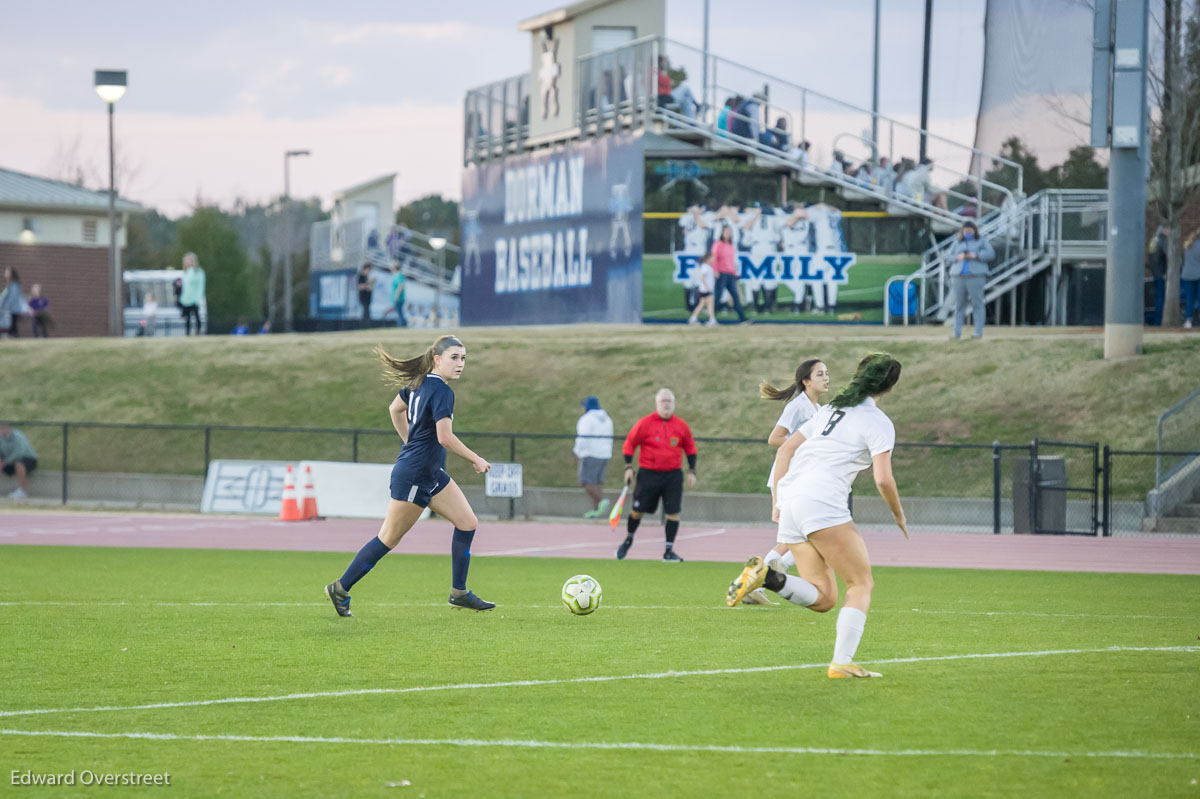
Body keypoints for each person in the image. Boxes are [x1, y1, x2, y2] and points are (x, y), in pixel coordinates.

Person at [726, 352, 908, 679]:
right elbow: (883, 479)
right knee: (861, 583)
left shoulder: (830, 409)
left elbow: (785, 449)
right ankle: (842, 663)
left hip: (794, 500)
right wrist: (899, 515)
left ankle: (766, 576)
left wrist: (778, 501)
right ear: (888, 388)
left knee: (824, 599)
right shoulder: (879, 422)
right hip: (823, 503)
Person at [324, 335, 495, 617]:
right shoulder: (442, 391)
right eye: (454, 358)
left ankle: (459, 592)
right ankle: (340, 588)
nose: (460, 364)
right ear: (437, 359)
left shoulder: (419, 382)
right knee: (388, 539)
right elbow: (445, 437)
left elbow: (395, 409)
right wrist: (476, 459)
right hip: (416, 474)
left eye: (463, 358)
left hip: (431, 472)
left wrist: (408, 440)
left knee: (467, 523)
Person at [740, 358, 832, 605]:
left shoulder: (819, 410)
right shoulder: (798, 407)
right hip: (788, 479)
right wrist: (804, 446)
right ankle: (758, 578)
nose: (826, 378)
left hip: (803, 480)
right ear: (806, 381)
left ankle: (758, 581)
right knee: (798, 536)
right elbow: (775, 438)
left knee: (806, 535)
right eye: (820, 374)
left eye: (827, 373)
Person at [617, 388, 697, 562]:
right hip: (648, 475)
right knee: (637, 511)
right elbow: (629, 444)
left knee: (673, 513)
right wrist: (628, 467)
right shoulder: (645, 423)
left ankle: (669, 551)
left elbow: (690, 449)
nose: (666, 404)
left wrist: (691, 471)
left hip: (673, 476)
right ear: (657, 403)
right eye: (663, 401)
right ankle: (629, 538)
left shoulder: (681, 425)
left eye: (669, 401)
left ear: (674, 404)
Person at [948, 221, 996, 340]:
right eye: (966, 230)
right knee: (959, 305)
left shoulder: (982, 241)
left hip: (976, 276)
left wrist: (976, 255)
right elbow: (948, 256)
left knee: (977, 304)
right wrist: (957, 257)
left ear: (974, 230)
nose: (968, 232)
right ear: (962, 231)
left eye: (970, 230)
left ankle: (978, 332)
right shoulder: (957, 242)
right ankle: (956, 332)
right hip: (958, 276)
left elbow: (991, 254)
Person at [574, 396, 614, 519]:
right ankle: (596, 510)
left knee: (586, 481)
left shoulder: (586, 419)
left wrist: (577, 452)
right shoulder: (607, 419)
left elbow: (582, 437)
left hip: (590, 453)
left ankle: (602, 501)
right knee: (596, 482)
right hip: (605, 454)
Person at [710, 225, 747, 323]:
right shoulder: (718, 244)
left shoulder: (730, 246)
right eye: (726, 232)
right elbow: (714, 258)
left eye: (729, 232)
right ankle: (711, 318)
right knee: (718, 297)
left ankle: (742, 318)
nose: (728, 234)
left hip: (730, 274)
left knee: (736, 297)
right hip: (721, 274)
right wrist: (715, 270)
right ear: (722, 233)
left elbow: (731, 261)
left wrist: (735, 273)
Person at [0, 421, 38, 499]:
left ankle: (22, 491)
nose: (2, 431)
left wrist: (5, 462)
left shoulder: (17, 435)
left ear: (8, 428)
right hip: (10, 461)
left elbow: (19, 452)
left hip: (28, 459)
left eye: (3, 429)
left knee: (19, 463)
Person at [687, 252, 717, 326]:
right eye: (712, 258)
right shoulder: (705, 267)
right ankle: (712, 320)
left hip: (705, 289)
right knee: (710, 304)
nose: (713, 259)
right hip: (705, 290)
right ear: (708, 259)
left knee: (701, 305)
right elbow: (702, 278)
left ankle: (693, 318)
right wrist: (707, 288)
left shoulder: (708, 267)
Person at [180, 253, 205, 335]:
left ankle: (198, 331)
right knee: (187, 317)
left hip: (194, 298)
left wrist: (198, 298)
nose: (186, 262)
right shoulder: (186, 272)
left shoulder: (198, 272)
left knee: (196, 316)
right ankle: (187, 332)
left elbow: (201, 286)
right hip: (186, 299)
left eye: (188, 260)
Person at [1146, 225, 1167, 326]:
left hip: (1155, 273)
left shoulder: (1153, 240)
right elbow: (1167, 256)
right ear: (1164, 230)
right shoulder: (1163, 240)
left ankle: (1157, 320)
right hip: (1161, 274)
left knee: (1157, 297)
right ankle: (1159, 321)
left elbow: (1150, 257)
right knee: (1161, 298)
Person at [1182, 229, 1200, 329]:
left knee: (1190, 299)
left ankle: (1188, 320)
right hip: (1198, 275)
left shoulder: (1187, 245)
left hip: (1187, 275)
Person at [1, 267, 25, 338]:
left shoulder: (14, 285)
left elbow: (12, 298)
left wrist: (5, 308)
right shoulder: (9, 285)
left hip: (13, 310)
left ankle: (15, 338)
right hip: (11, 310)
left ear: (11, 274)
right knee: (12, 328)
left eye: (7, 272)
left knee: (13, 328)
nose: (5, 273)